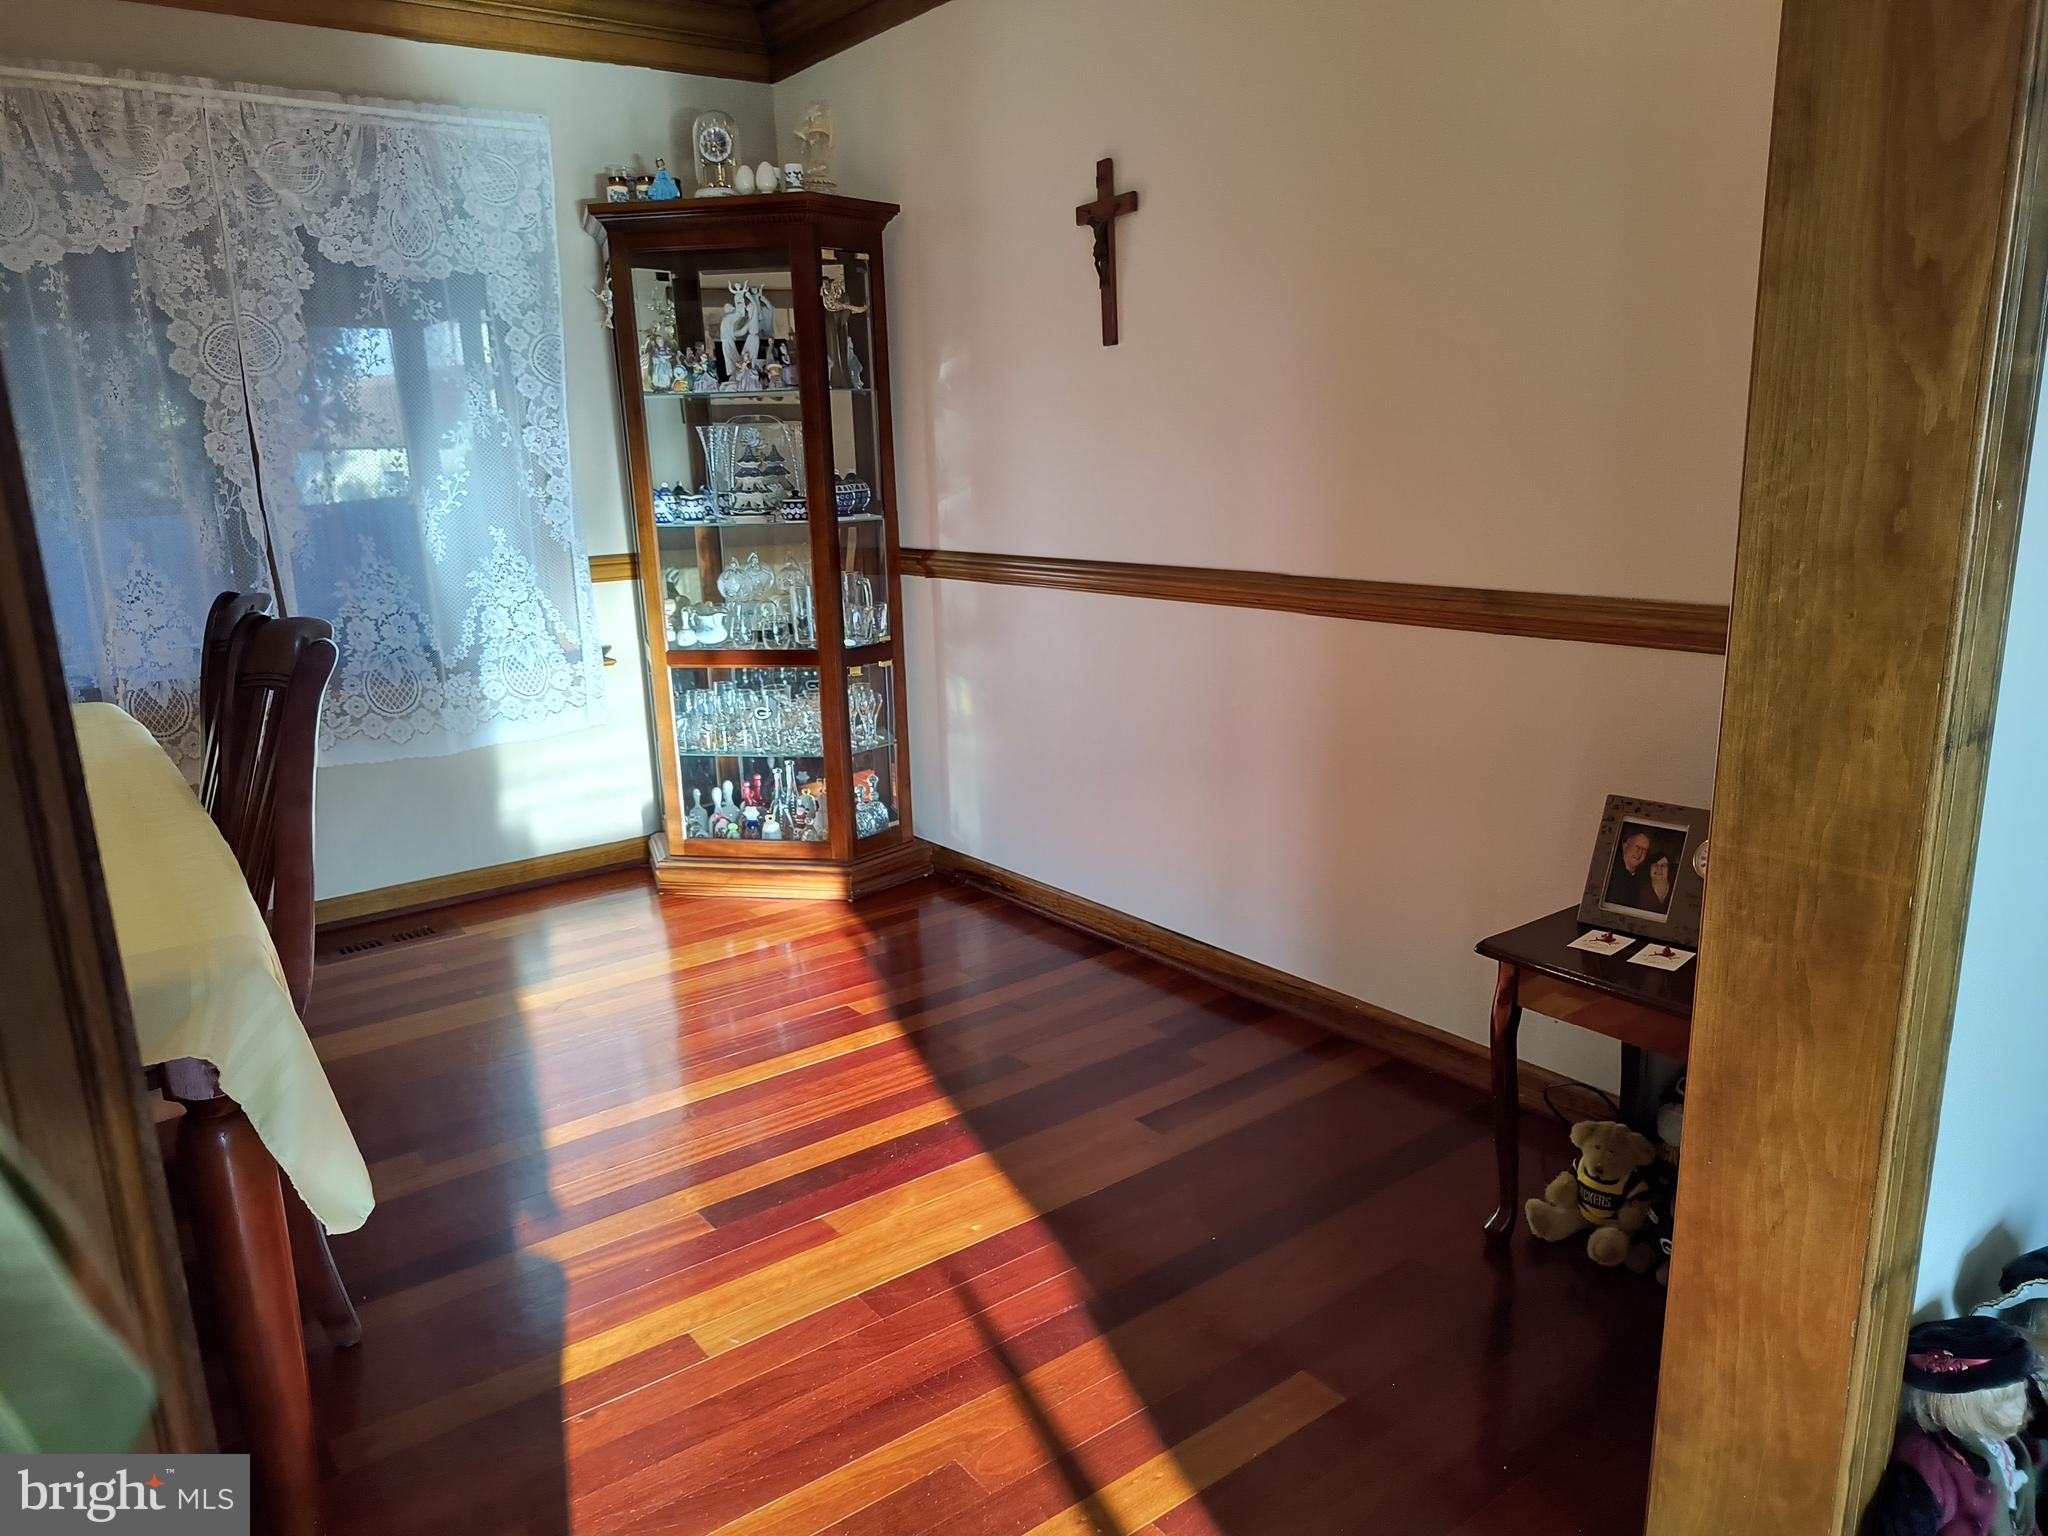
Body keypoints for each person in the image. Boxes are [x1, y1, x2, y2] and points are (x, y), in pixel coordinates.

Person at [1605, 828, 1652, 910]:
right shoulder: (1609, 872)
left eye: (1644, 850)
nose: (1640, 852)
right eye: (1637, 847)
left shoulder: (1642, 880)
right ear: (1625, 846)